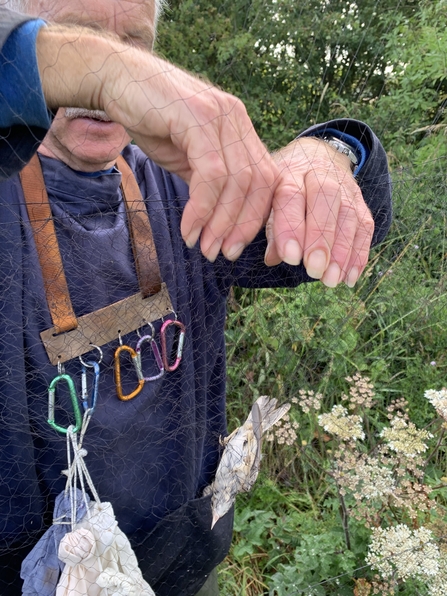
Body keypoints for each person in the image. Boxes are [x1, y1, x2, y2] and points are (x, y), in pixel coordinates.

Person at [0, 1, 392, 594]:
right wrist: (96, 66)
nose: (112, 83)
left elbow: (348, 220)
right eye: (78, 42)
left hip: (183, 566)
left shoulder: (189, 192)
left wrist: (330, 156)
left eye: (134, 44)